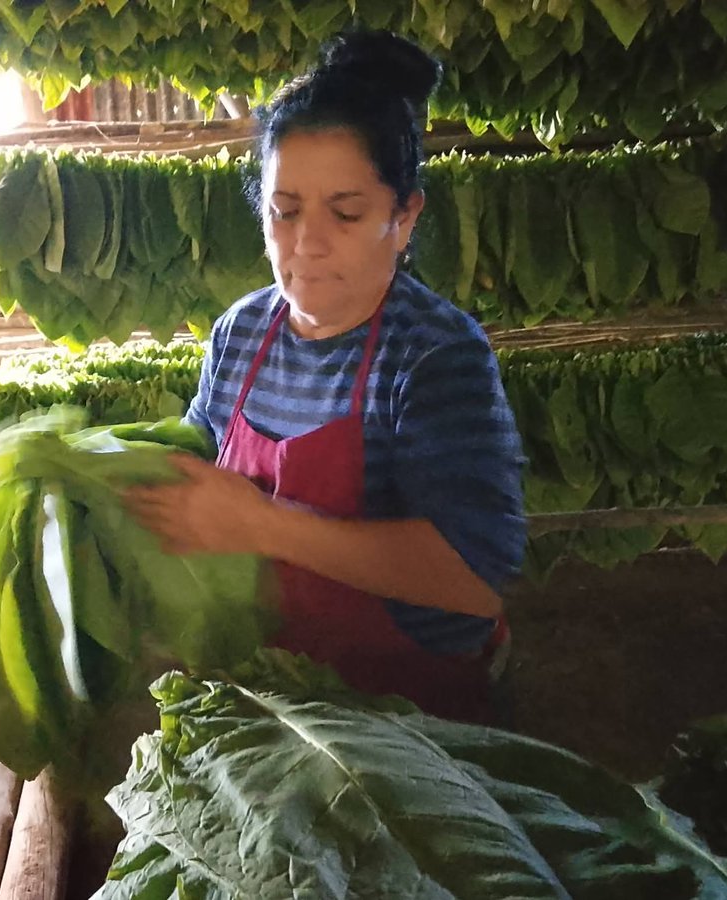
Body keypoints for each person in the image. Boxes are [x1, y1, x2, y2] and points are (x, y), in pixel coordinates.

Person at [126, 29, 526, 724]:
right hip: (270, 693)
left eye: (346, 213)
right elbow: (199, 455)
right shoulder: (242, 332)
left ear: (404, 219)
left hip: (410, 712)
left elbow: (473, 580)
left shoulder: (436, 355)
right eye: (284, 212)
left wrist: (265, 526)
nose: (307, 243)